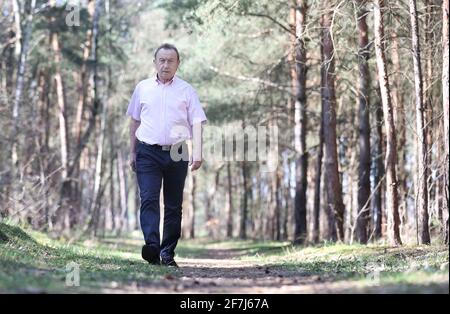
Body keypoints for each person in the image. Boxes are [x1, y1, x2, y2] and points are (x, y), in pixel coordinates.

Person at [126, 43, 207, 267]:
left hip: (177, 151)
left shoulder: (187, 90)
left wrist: (198, 152)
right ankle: (152, 247)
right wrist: (132, 152)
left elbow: (197, 123)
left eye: (171, 60)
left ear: (177, 64)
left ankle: (167, 253)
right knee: (149, 198)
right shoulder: (142, 88)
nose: (166, 64)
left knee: (173, 205)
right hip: (147, 151)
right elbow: (134, 121)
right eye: (162, 60)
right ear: (155, 62)